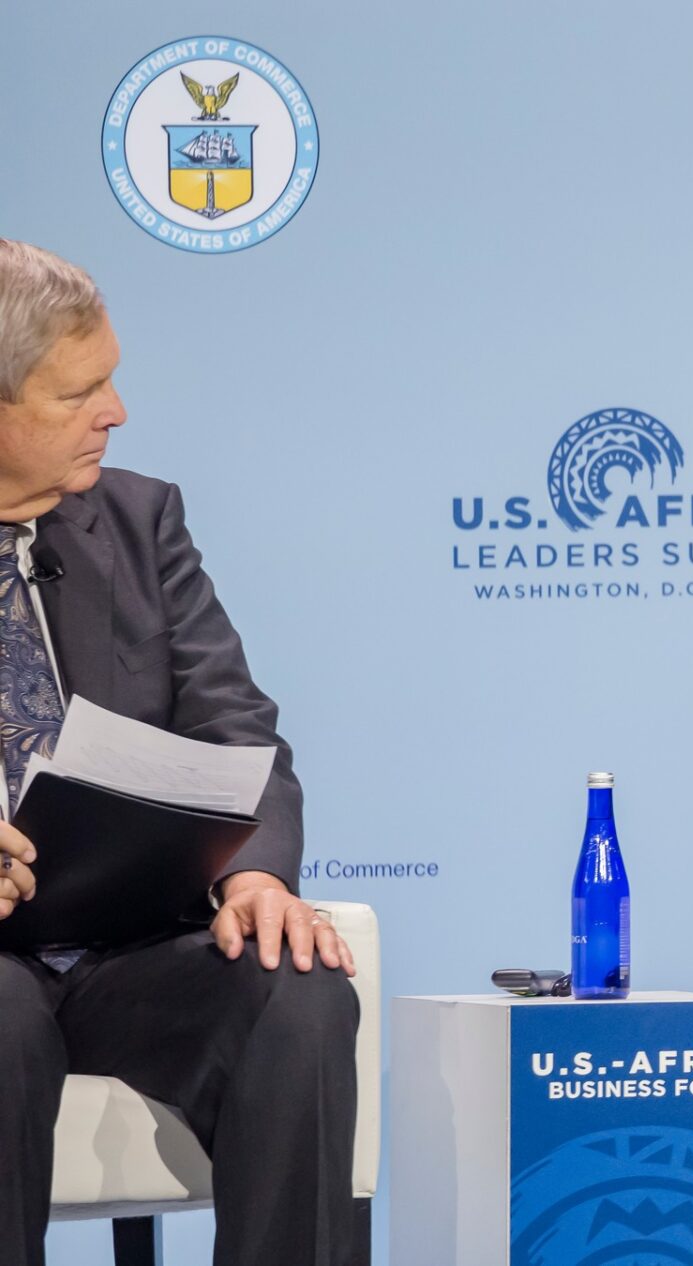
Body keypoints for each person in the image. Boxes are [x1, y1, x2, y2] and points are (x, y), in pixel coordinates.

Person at [0, 241, 360, 1266]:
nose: (115, 412)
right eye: (80, 393)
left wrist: (256, 879)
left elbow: (238, 726)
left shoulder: (136, 518)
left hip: (132, 947)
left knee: (298, 989)